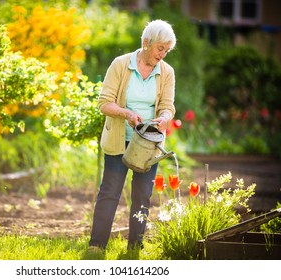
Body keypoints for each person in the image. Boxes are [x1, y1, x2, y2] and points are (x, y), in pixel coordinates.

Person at [89, 19, 177, 251]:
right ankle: (96, 245)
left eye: (166, 51)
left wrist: (165, 118)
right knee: (110, 192)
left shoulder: (166, 72)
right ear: (146, 42)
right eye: (160, 48)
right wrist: (126, 113)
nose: (163, 55)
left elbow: (168, 106)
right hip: (120, 140)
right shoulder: (120, 64)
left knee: (143, 195)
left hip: (148, 144)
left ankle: (135, 248)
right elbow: (104, 103)